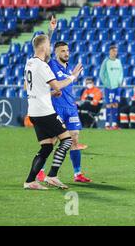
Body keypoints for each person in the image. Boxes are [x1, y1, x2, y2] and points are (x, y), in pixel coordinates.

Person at [23, 34, 83, 190]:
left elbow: (28, 88)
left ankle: (30, 181)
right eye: (49, 45)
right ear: (43, 47)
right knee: (67, 140)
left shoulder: (29, 63)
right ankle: (52, 176)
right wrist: (73, 77)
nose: (50, 48)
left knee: (47, 147)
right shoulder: (43, 66)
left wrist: (48, 94)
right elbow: (58, 85)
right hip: (45, 111)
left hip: (34, 111)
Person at [37, 41, 92, 183]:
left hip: (71, 109)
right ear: (55, 53)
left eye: (67, 50)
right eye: (62, 51)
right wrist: (51, 30)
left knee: (74, 139)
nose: (66, 53)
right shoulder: (51, 65)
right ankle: (40, 172)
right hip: (57, 108)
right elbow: (42, 50)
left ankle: (77, 174)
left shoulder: (69, 69)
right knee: (52, 141)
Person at [99, 44, 123, 130]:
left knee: (115, 104)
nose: (115, 53)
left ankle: (114, 124)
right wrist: (106, 84)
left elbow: (121, 73)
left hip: (117, 87)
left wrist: (120, 82)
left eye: (116, 51)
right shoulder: (106, 61)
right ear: (110, 51)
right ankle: (107, 124)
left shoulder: (118, 61)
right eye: (113, 51)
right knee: (109, 104)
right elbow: (101, 74)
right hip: (109, 87)